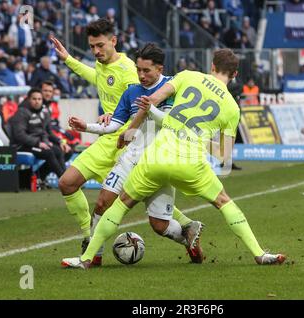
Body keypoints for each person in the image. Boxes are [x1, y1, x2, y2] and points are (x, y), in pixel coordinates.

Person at [62, 48, 286, 269]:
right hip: (191, 163)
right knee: (223, 202)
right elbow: (223, 154)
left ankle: (86, 259)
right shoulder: (232, 107)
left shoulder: (188, 76)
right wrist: (197, 135)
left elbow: (150, 101)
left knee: (121, 204)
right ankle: (259, 254)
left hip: (156, 157)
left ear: (212, 67)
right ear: (235, 75)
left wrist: (135, 128)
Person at [62, 43, 203, 267]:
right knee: (102, 203)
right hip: (131, 158)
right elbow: (114, 125)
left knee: (159, 225)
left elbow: (171, 122)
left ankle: (187, 237)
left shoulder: (173, 88)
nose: (141, 75)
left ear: (160, 68)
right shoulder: (132, 92)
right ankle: (92, 256)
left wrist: (150, 108)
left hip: (159, 163)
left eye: (146, 70)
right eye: (138, 69)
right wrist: (86, 126)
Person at [50, 18, 139, 257]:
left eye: (100, 45)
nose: (96, 51)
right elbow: (95, 77)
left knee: (151, 202)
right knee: (66, 183)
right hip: (105, 141)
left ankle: (184, 229)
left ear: (114, 41)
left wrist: (116, 113)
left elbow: (139, 103)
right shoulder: (102, 65)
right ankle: (88, 237)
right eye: (92, 47)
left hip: (128, 143)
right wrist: (68, 59)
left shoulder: (128, 69)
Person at [8, 88, 66, 183]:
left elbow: (43, 132)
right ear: (28, 99)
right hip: (21, 146)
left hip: (34, 144)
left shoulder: (40, 112)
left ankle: (59, 178)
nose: (37, 102)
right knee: (49, 152)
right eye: (34, 99)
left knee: (58, 150)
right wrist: (38, 143)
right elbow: (19, 135)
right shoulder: (21, 112)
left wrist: (46, 142)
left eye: (39, 99)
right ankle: (64, 181)